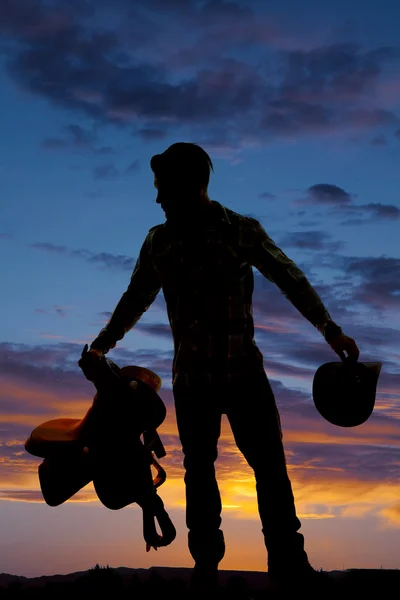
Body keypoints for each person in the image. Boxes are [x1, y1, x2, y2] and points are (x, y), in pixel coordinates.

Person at [87, 142, 359, 594]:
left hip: (244, 376)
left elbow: (290, 278)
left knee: (270, 467)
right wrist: (100, 347)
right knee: (200, 473)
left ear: (192, 187)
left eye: (163, 190)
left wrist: (331, 330)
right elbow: (134, 299)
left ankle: (289, 567)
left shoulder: (241, 232)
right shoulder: (160, 242)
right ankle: (207, 571)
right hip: (192, 382)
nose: (157, 200)